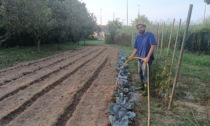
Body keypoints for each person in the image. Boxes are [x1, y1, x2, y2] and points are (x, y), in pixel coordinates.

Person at [128, 23, 157, 96]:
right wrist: (131, 56)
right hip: (140, 59)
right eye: (138, 28)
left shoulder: (150, 35)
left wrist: (147, 57)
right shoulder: (138, 37)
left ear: (144, 27)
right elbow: (136, 48)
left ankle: (147, 90)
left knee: (145, 74)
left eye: (141, 27)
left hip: (146, 59)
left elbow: (153, 46)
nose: (139, 29)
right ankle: (142, 87)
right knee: (140, 72)